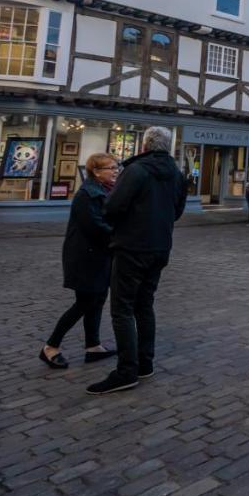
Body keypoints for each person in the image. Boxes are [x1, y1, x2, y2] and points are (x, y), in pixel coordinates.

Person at [87, 127, 187, 395]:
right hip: (160, 247)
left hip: (132, 246)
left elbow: (113, 207)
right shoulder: (176, 174)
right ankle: (145, 362)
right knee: (145, 304)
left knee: (122, 308)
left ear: (144, 146)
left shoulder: (137, 170)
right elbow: (177, 210)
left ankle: (126, 370)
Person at [39, 153, 121, 369]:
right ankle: (50, 347)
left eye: (116, 167)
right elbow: (95, 227)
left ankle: (93, 347)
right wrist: (121, 236)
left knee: (97, 300)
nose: (115, 171)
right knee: (84, 302)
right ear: (96, 171)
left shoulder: (107, 191)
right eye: (110, 168)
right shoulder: (87, 194)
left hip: (101, 255)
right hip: (85, 257)